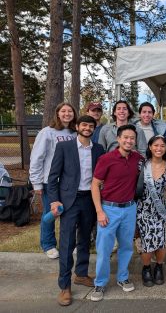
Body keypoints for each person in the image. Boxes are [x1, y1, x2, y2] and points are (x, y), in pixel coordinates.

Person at [47, 115, 105, 306]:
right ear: (77, 127)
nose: (88, 128)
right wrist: (54, 200)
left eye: (91, 126)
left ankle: (81, 274)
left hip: (89, 199)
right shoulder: (64, 147)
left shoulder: (98, 149)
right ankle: (64, 286)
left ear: (94, 129)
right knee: (67, 242)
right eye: (84, 125)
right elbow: (53, 176)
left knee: (85, 240)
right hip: (69, 201)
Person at [90, 124, 144, 302]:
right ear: (118, 139)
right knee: (104, 249)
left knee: (126, 247)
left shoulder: (138, 158)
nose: (129, 141)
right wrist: (99, 211)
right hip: (108, 209)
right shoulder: (106, 158)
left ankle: (122, 277)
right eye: (125, 137)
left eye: (132, 138)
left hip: (129, 208)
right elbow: (95, 185)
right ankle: (100, 283)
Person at [29, 102, 77, 259]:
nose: (67, 114)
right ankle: (48, 244)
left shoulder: (75, 133)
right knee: (52, 213)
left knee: (69, 212)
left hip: (69, 181)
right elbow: (37, 157)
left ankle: (69, 242)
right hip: (51, 181)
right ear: (57, 113)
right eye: (63, 111)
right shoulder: (47, 132)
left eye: (70, 111)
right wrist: (36, 182)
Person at [137, 135, 166, 287]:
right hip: (144, 209)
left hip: (162, 209)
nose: (159, 148)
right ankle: (145, 269)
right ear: (150, 147)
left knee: (162, 241)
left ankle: (159, 266)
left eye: (162, 146)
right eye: (156, 145)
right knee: (147, 242)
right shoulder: (142, 165)